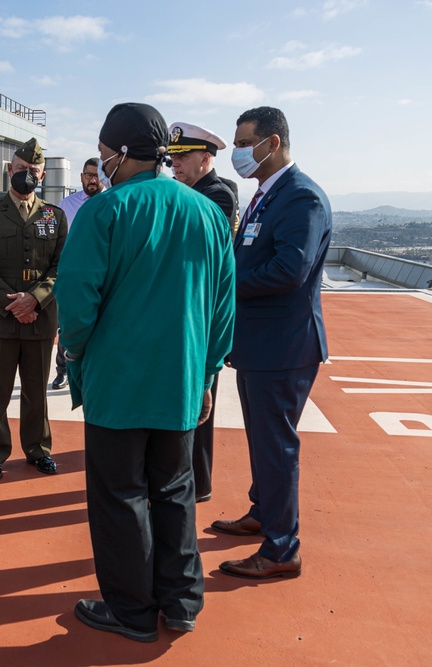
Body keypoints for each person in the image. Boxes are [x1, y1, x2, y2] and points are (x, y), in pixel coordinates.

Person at [54, 102, 235, 642]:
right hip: (180, 381)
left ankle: (131, 610)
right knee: (175, 491)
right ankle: (181, 601)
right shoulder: (205, 211)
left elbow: (78, 298)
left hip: (118, 382)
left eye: (105, 154)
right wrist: (206, 373)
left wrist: (74, 354)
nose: (103, 163)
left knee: (119, 495)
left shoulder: (104, 211)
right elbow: (223, 306)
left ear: (119, 153)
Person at [212, 106, 331, 581]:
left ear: (272, 143)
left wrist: (225, 281)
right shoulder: (267, 194)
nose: (238, 151)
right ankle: (262, 511)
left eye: (244, 142)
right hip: (262, 344)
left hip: (284, 347)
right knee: (263, 441)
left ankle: (282, 550)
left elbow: (289, 270)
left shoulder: (302, 198)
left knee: (277, 445)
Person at [0, 137, 67, 481]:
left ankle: (38, 449)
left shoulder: (55, 217)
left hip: (40, 318)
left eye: (34, 171)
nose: (27, 175)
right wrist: (14, 304)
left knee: (36, 391)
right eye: (21, 169)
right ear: (10, 170)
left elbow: (61, 267)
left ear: (41, 176)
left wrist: (35, 299)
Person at [167, 121, 240, 503]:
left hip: (201, 315)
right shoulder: (192, 190)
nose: (174, 166)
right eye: (172, 159)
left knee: (199, 400)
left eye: (182, 158)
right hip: (189, 312)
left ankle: (197, 484)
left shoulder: (218, 196)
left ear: (206, 158)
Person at [52, 158, 105, 390]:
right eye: (88, 175)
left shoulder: (112, 200)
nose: (92, 180)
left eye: (96, 175)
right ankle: (62, 371)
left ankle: (95, 374)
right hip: (73, 276)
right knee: (67, 326)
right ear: (81, 176)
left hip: (103, 276)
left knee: (101, 327)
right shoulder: (67, 204)